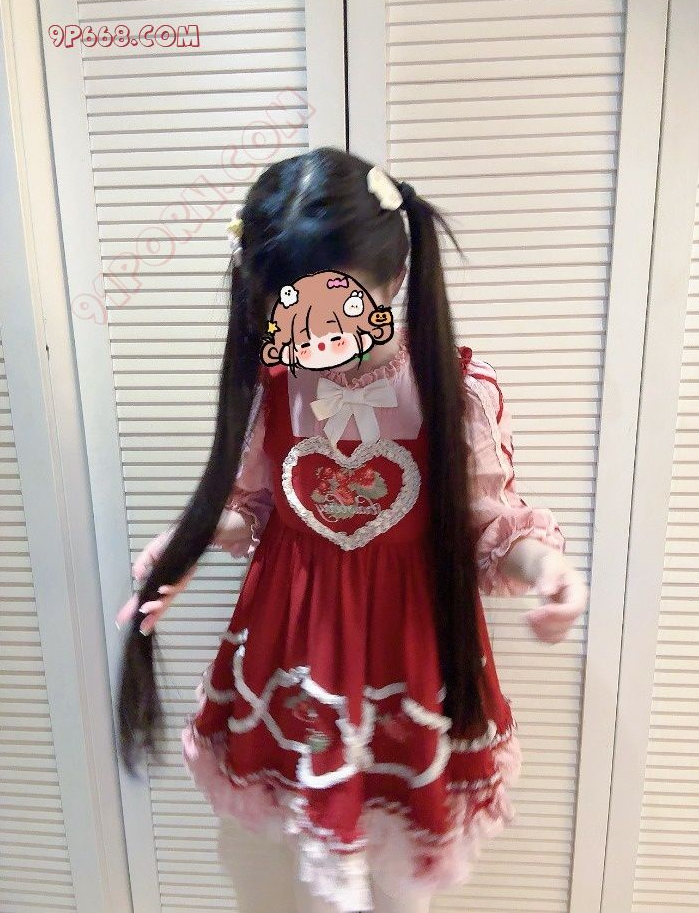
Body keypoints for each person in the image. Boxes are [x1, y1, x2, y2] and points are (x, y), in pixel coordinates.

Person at [116, 147, 588, 912]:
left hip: (412, 650)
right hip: (298, 653)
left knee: (406, 874)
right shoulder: (273, 389)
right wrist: (188, 543)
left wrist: (544, 569)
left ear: (395, 280)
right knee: (313, 861)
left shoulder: (452, 390)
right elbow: (254, 506)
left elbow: (488, 524)